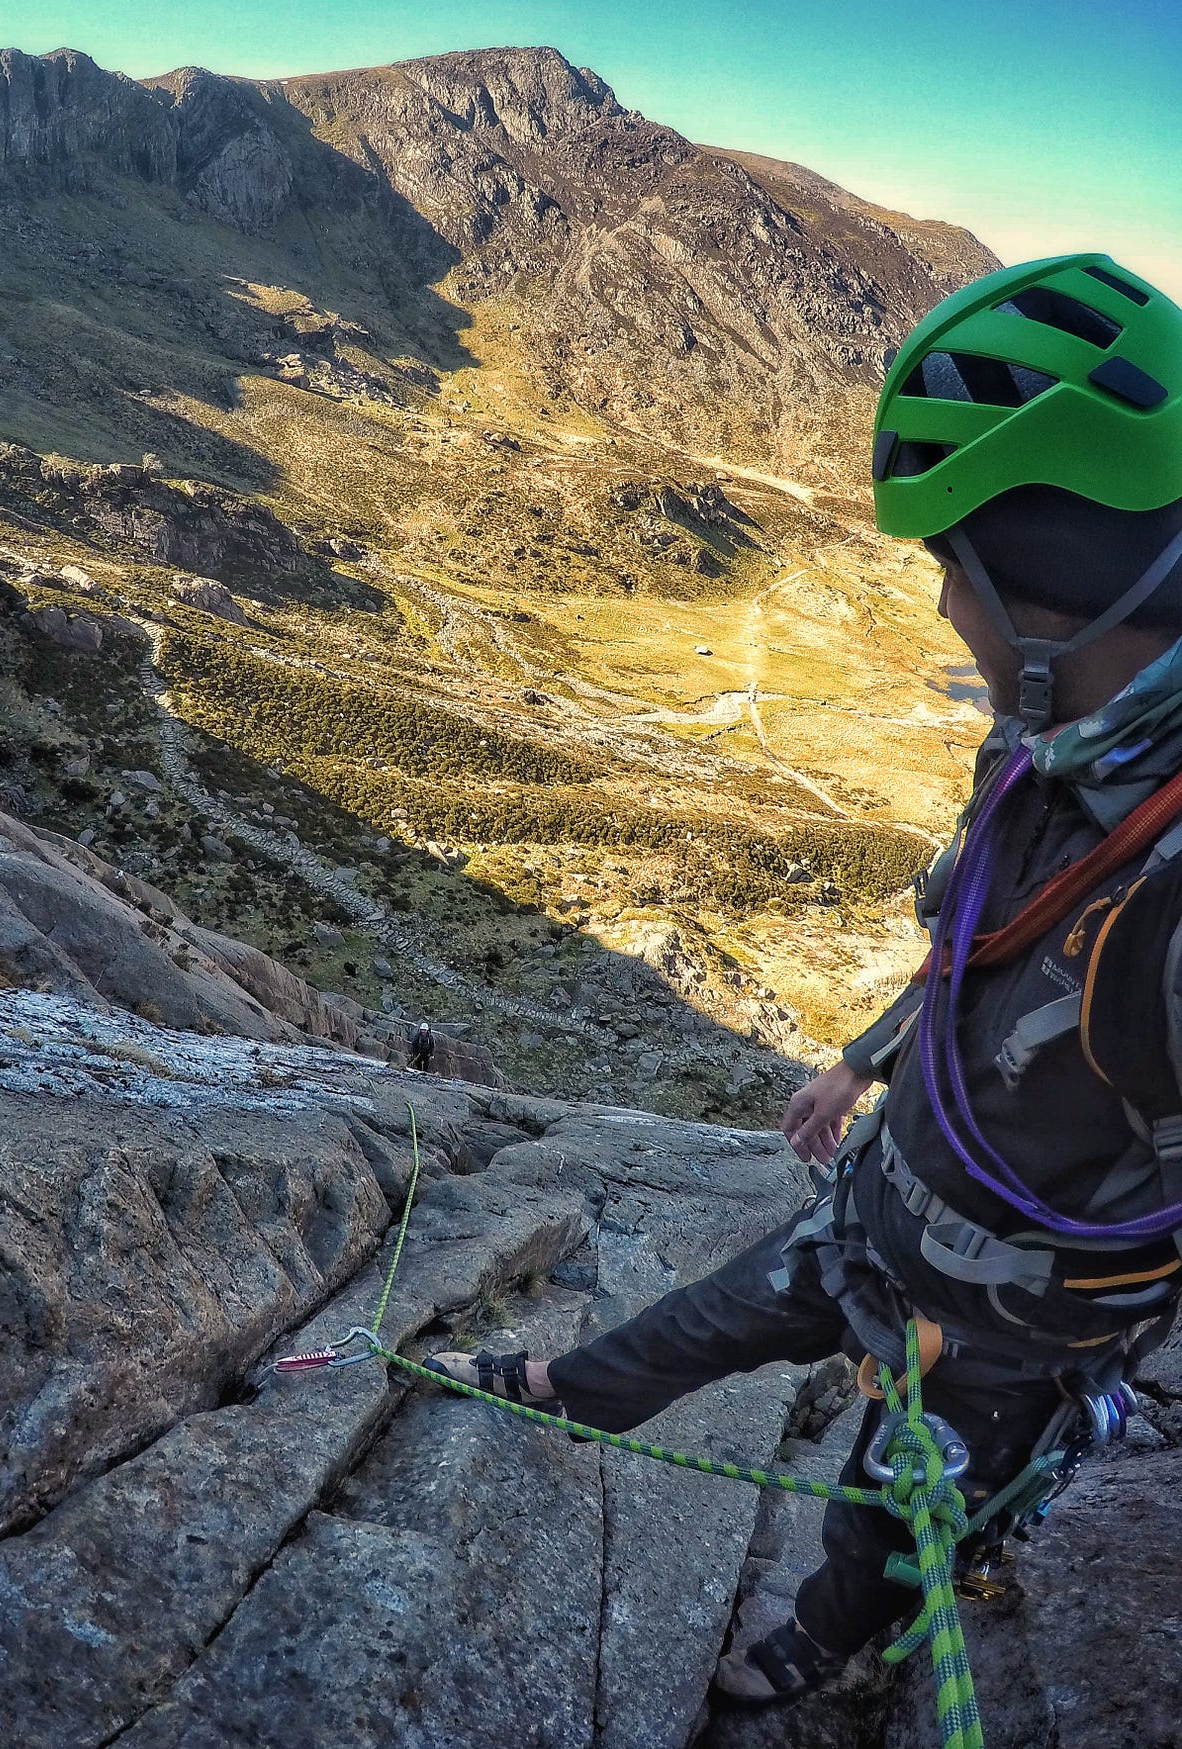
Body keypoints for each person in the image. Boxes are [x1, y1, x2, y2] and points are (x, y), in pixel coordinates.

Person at [424, 253, 1182, 1705]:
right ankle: (560, 1388)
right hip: (882, 1216)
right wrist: (868, 1057)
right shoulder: (1052, 748)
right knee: (698, 1319)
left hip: (998, 1337)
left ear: (1051, 596)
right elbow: (982, 957)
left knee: (880, 1515)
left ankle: (818, 1643)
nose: (946, 613)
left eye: (952, 574)